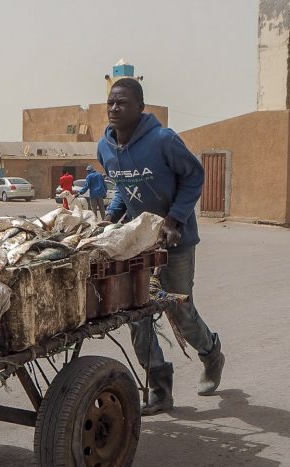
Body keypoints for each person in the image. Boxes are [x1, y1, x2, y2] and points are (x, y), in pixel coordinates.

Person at [97, 78, 224, 415]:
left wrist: (176, 219)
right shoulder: (105, 147)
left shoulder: (163, 140)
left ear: (140, 108)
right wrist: (111, 218)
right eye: (110, 102)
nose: (114, 108)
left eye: (122, 102)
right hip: (139, 242)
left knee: (179, 310)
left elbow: (194, 176)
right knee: (137, 314)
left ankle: (211, 354)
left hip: (176, 241)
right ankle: (160, 387)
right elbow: (124, 186)